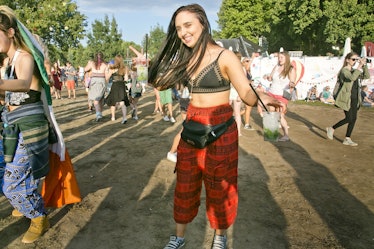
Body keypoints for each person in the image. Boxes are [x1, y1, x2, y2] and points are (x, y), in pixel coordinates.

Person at [148, 4, 283, 249]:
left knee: (220, 187)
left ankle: (219, 237)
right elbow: (157, 82)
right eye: (178, 28)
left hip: (221, 129)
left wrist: (264, 98)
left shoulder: (225, 56)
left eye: (188, 25)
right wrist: (166, 53)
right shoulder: (185, 59)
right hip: (192, 126)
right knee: (185, 185)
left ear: (203, 23)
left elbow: (245, 93)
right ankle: (178, 238)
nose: (183, 32)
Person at [0, 5, 55, 243]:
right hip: (13, 125)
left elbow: (23, 83)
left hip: (30, 126)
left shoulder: (24, 56)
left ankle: (38, 216)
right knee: (17, 174)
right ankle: (24, 200)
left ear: (10, 32)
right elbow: (10, 96)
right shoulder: (7, 62)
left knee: (12, 183)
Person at [326, 52, 369, 146]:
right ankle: (332, 128)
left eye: (356, 60)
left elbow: (366, 76)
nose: (355, 61)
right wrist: (359, 66)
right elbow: (352, 78)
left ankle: (347, 138)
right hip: (346, 98)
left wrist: (364, 66)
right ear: (347, 60)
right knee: (349, 118)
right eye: (353, 59)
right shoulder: (344, 71)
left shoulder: (355, 70)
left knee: (354, 119)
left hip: (355, 98)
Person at [265, 51, 296, 142]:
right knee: (271, 112)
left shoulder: (290, 69)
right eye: (279, 57)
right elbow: (270, 78)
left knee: (280, 115)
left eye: (281, 57)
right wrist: (267, 77)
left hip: (281, 95)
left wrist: (291, 84)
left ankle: (286, 135)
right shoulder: (276, 66)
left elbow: (293, 82)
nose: (279, 59)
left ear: (286, 58)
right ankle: (271, 133)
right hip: (271, 93)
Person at [167, 83, 190, 163]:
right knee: (185, 129)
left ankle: (174, 152)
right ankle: (172, 152)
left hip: (185, 100)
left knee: (187, 129)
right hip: (188, 101)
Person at [105, 55, 130, 124]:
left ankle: (113, 117)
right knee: (122, 102)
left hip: (115, 85)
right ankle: (124, 117)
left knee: (113, 101)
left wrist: (106, 70)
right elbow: (126, 79)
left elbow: (107, 78)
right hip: (122, 85)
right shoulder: (125, 68)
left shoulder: (113, 68)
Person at [84, 52, 108, 121]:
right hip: (102, 81)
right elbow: (106, 76)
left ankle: (98, 114)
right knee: (100, 99)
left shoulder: (92, 63)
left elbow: (85, 69)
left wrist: (88, 64)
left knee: (96, 99)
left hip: (94, 81)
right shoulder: (105, 64)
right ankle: (100, 113)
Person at [241, 55, 256, 130]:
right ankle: (246, 124)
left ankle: (234, 116)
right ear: (242, 63)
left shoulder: (249, 71)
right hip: (246, 91)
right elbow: (243, 81)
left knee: (248, 108)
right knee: (248, 107)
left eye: (249, 61)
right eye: (247, 61)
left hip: (250, 91)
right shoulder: (243, 70)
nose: (249, 62)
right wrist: (251, 82)